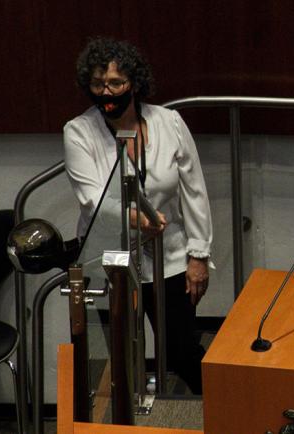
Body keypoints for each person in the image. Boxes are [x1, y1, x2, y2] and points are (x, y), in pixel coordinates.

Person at [63, 37, 212, 394]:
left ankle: (225, 409)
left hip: (171, 258)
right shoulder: (79, 131)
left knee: (180, 349)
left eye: (116, 83)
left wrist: (199, 254)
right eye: (98, 84)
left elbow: (194, 191)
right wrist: (140, 220)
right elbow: (92, 198)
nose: (107, 92)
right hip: (109, 260)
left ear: (135, 82)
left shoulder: (169, 122)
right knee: (120, 355)